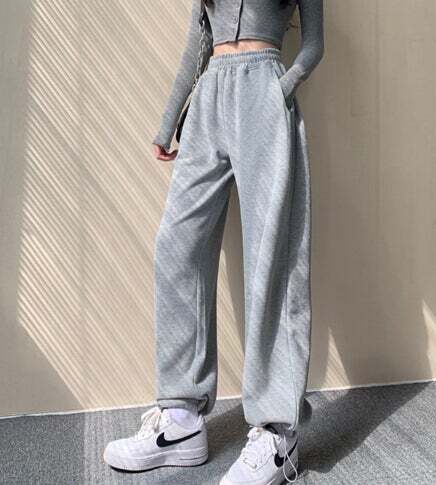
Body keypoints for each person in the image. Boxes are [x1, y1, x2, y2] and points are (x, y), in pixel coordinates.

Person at [103, 0, 324, 483]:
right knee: (176, 248)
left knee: (272, 256)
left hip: (264, 90)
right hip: (209, 98)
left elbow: (313, 44)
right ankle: (181, 420)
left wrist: (281, 89)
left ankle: (278, 432)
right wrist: (168, 122)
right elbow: (197, 45)